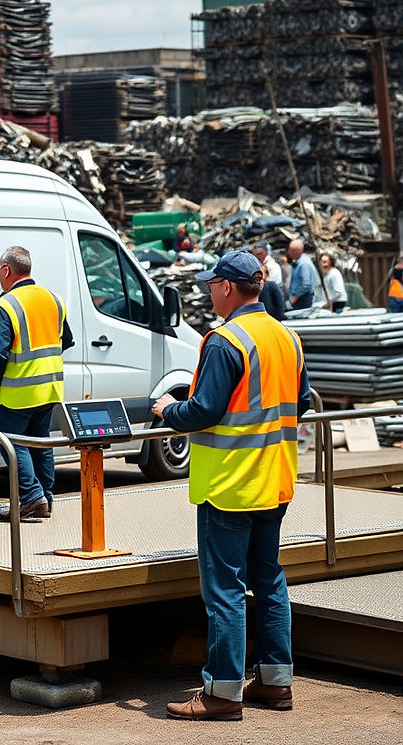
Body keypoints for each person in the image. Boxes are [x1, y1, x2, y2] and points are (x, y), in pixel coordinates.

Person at [151, 251, 310, 721]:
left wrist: (166, 411)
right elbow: (299, 403)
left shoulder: (224, 342)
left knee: (224, 589)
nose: (207, 292)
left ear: (226, 288)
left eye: (211, 285)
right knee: (269, 578)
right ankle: (275, 683)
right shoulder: (287, 337)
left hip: (229, 485)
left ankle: (222, 693)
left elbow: (203, 411)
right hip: (274, 477)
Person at [0, 245, 73, 522]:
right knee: (39, 444)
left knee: (11, 443)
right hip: (50, 388)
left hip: (18, 392)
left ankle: (32, 497)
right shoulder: (54, 299)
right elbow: (65, 341)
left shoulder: (5, 305)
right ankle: (45, 498)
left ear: (7, 270)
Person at [287, 239, 316, 310]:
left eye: (292, 250)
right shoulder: (299, 263)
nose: (289, 252)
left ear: (299, 250)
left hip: (302, 299)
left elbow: (306, 284)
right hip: (299, 299)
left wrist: (296, 297)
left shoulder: (304, 264)